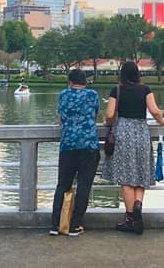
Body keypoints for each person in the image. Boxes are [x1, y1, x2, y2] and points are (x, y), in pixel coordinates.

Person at [102, 60, 164, 235]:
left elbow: (110, 114)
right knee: (140, 173)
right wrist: (163, 122)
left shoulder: (116, 90)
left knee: (125, 178)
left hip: (123, 133)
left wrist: (109, 124)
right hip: (141, 132)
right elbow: (155, 111)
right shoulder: (145, 90)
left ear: (122, 74)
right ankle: (138, 205)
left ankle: (130, 219)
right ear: (137, 74)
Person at [49, 68, 100, 236]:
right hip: (88, 145)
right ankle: (75, 225)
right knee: (84, 186)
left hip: (68, 145)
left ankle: (55, 225)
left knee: (62, 185)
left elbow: (60, 118)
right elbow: (94, 116)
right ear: (84, 82)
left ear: (70, 82)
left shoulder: (63, 95)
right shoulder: (92, 95)